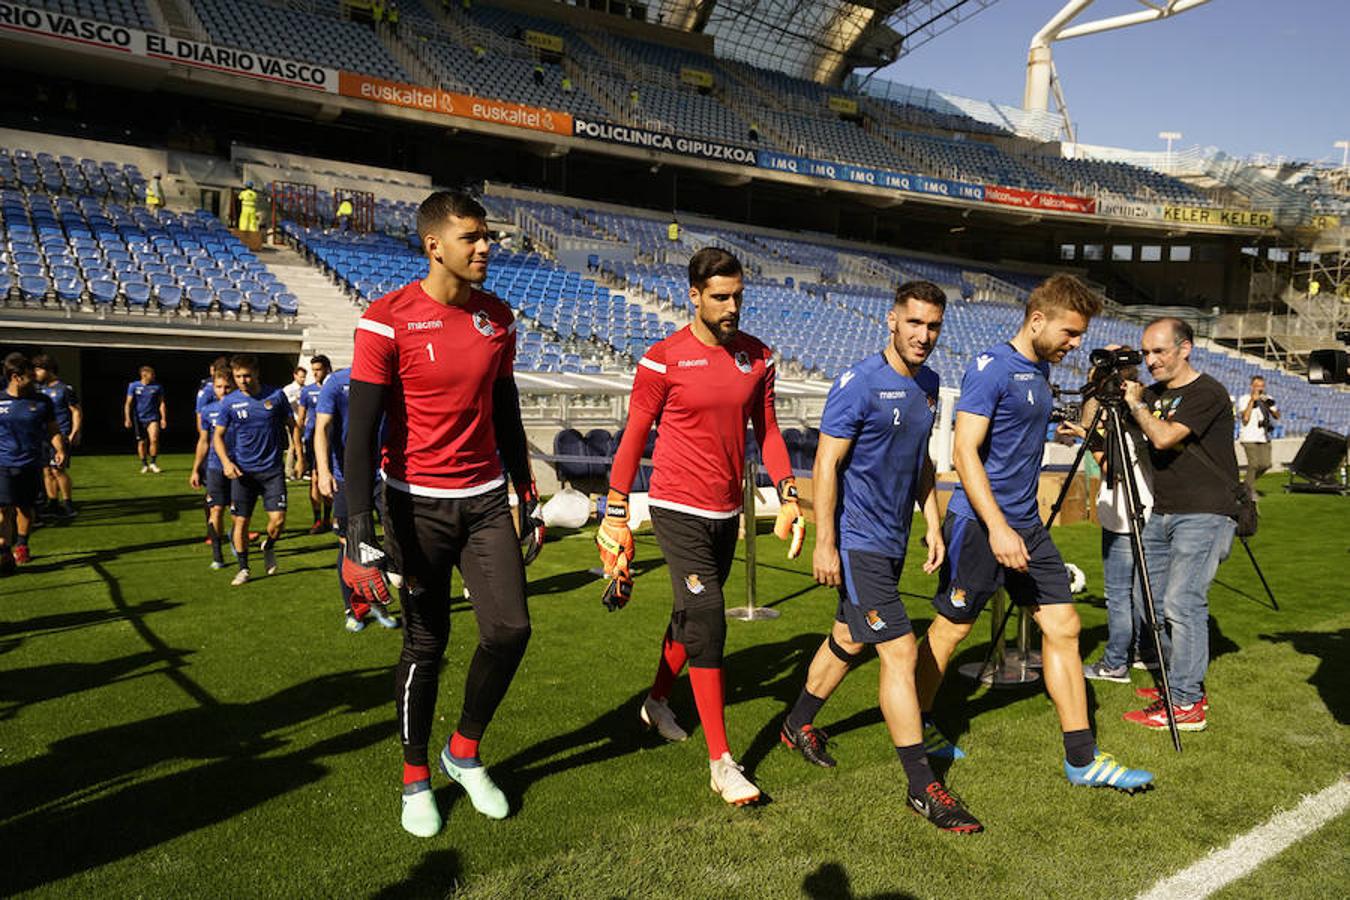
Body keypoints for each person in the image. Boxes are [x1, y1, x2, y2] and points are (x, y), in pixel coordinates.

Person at [342, 190, 546, 838]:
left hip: (486, 500)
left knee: (511, 630)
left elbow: (507, 410)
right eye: (471, 237)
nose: (485, 247)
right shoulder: (386, 320)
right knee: (425, 644)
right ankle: (413, 778)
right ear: (434, 245)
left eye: (486, 236)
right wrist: (356, 535)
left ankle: (463, 751)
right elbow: (360, 434)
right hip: (412, 504)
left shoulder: (498, 317)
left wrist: (527, 493)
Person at [915, 274, 1154, 795]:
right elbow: (963, 453)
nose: (1073, 343)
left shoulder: (1043, 369)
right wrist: (998, 527)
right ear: (1038, 320)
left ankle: (1082, 758)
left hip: (1024, 524)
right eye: (1069, 333)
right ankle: (918, 726)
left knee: (1064, 628)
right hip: (981, 525)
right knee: (950, 631)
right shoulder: (991, 367)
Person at [596, 247, 804, 807]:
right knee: (709, 618)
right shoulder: (664, 359)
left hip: (726, 511)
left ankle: (657, 701)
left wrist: (788, 495)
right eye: (720, 296)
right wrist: (615, 509)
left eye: (738, 295)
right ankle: (722, 763)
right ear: (693, 295)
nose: (732, 305)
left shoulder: (757, 357)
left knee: (688, 615)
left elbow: (772, 432)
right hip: (675, 507)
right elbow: (635, 435)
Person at [780, 282, 982, 832]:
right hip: (858, 540)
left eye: (933, 326)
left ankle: (797, 724)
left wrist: (933, 521)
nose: (924, 336)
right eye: (914, 323)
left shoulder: (931, 384)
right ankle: (923, 788)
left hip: (894, 538)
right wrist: (826, 542)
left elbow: (921, 461)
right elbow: (825, 465)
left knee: (848, 636)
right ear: (891, 321)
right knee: (898, 650)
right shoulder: (859, 383)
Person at [1121, 317, 1239, 732]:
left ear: (1185, 348)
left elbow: (1165, 437)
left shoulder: (1207, 391)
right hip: (1164, 511)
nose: (1150, 361)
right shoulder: (1152, 393)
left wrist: (1137, 405)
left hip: (1205, 512)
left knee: (1182, 602)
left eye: (1159, 352)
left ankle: (1188, 702)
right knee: (1147, 602)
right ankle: (1177, 683)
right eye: (1145, 353)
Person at [1071, 348, 1158, 683]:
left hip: (1125, 512)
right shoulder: (1145, 406)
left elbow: (1113, 469)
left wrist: (1086, 436)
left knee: (1118, 593)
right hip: (1151, 508)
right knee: (1142, 589)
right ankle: (1145, 652)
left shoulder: (1121, 418)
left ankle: (1115, 662)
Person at [314, 365, 399, 633]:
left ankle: (379, 601)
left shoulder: (394, 378)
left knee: (398, 537)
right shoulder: (337, 383)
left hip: (387, 473)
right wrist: (324, 471)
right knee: (349, 545)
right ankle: (354, 607)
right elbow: (321, 428)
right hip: (347, 476)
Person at [213, 354, 293, 587]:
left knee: (278, 521)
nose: (242, 380)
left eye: (247, 375)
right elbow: (217, 436)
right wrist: (226, 463)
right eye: (238, 376)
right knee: (240, 523)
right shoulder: (229, 402)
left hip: (272, 470)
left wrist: (298, 454)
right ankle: (244, 568)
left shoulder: (276, 396)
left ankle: (268, 545)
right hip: (243, 473)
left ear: (257, 373)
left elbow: (292, 426)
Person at [0, 353, 65, 570]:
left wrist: (60, 449)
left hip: (31, 463)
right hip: (3, 463)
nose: (34, 379)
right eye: (29, 376)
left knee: (25, 509)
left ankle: (21, 545)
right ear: (16, 377)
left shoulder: (42, 401)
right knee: (2, 510)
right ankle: (4, 549)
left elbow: (53, 429)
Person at [190, 366, 236, 570]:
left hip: (239, 466)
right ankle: (217, 553)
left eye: (227, 387)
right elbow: (203, 441)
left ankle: (236, 539)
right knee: (216, 510)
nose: (223, 391)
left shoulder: (243, 406)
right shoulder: (208, 411)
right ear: (213, 388)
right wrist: (195, 469)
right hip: (215, 467)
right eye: (219, 387)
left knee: (238, 512)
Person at [32, 354, 80, 519]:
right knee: (46, 471)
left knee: (58, 469)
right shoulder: (38, 390)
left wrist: (74, 432)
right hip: (43, 437)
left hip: (61, 434)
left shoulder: (64, 389)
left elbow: (76, 411)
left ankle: (68, 503)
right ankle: (53, 502)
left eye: (38, 369)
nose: (35, 373)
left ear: (48, 369)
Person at [298, 355, 334, 534]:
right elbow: (301, 418)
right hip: (313, 440)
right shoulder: (307, 391)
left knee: (334, 478)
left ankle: (329, 518)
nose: (315, 373)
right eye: (313, 370)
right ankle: (318, 520)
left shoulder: (333, 387)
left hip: (333, 440)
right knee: (314, 479)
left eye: (318, 369)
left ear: (327, 368)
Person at [1236, 374, 1279, 493]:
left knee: (1266, 464)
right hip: (1249, 436)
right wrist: (1252, 401)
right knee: (1254, 464)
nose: (1260, 389)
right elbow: (1245, 419)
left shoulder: (1267, 399)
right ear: (1251, 386)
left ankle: (1245, 485)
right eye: (1257, 386)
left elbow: (1277, 416)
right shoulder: (1244, 399)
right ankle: (1248, 491)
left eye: (1262, 386)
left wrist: (1269, 406)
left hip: (1264, 437)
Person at [124, 365, 166, 473]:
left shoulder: (157, 387)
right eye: (151, 374)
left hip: (153, 417)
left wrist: (163, 418)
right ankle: (144, 464)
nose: (153, 376)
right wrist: (127, 418)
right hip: (138, 418)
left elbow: (161, 403)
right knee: (142, 442)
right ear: (144, 375)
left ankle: (153, 463)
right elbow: (128, 403)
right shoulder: (134, 386)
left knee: (154, 439)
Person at [282, 365, 307, 480]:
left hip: (303, 421)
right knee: (293, 446)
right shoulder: (288, 389)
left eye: (304, 377)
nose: (302, 379)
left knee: (302, 446)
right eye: (301, 377)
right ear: (295, 376)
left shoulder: (305, 389)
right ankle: (289, 471)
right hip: (292, 421)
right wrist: (295, 399)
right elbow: (284, 404)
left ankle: (302, 470)